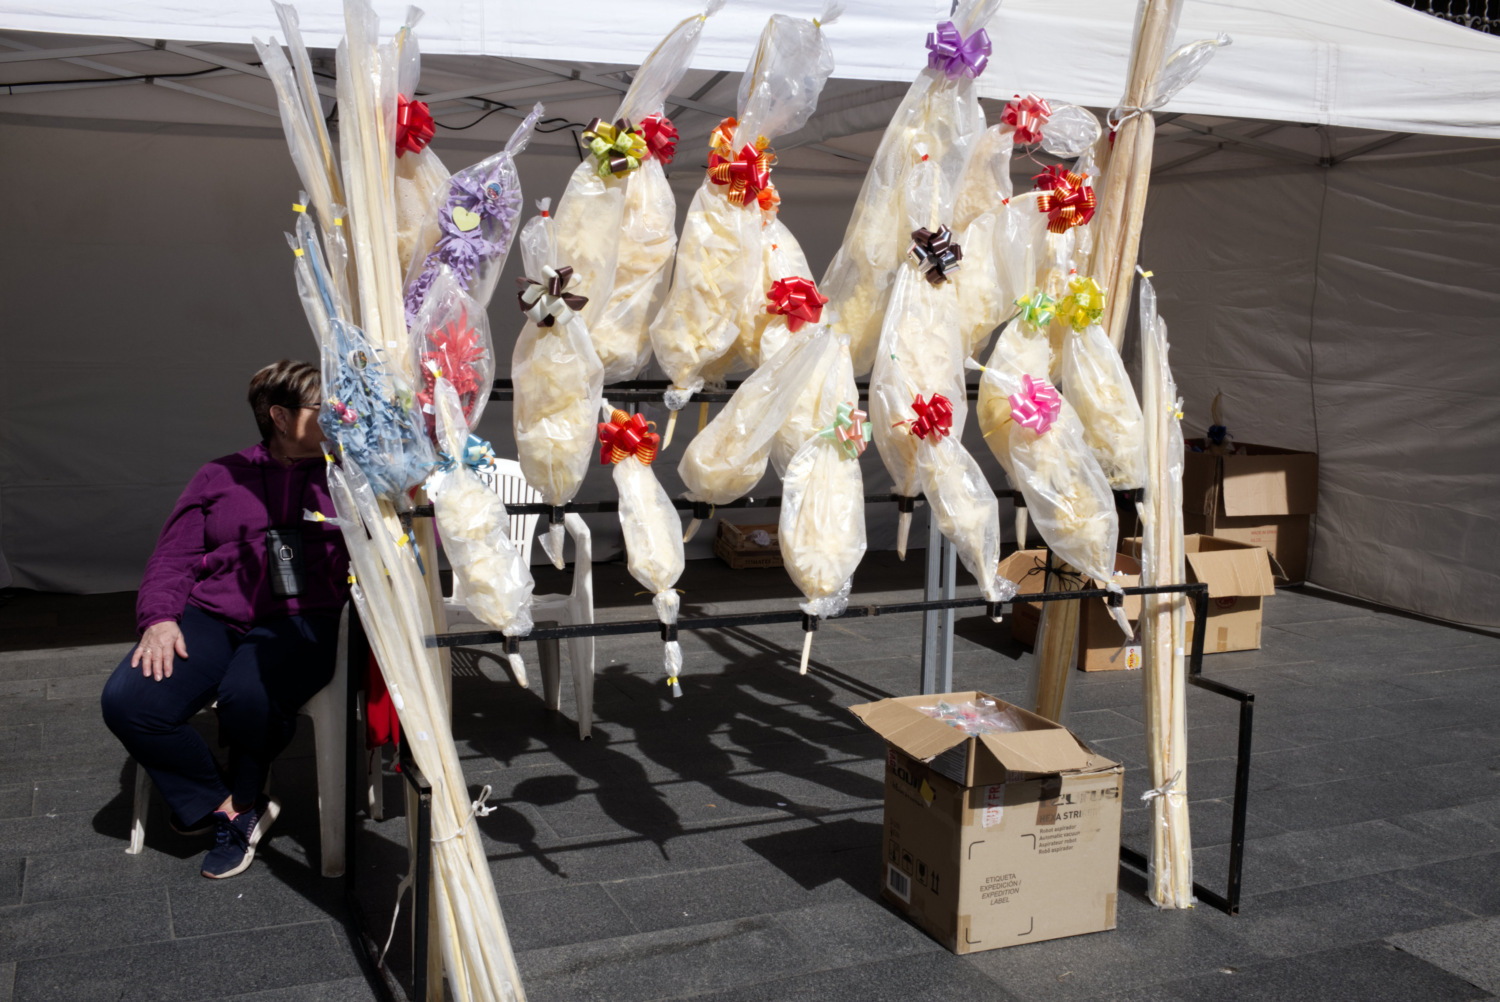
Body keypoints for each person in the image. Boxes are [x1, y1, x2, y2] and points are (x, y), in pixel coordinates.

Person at [101, 360, 351, 879]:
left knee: (249, 696)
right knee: (130, 701)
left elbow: (411, 542)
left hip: (301, 619)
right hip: (213, 614)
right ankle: (226, 804)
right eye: (323, 406)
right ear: (280, 416)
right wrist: (160, 619)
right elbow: (174, 557)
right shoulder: (219, 474)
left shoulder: (351, 475)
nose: (338, 414)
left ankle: (243, 792)